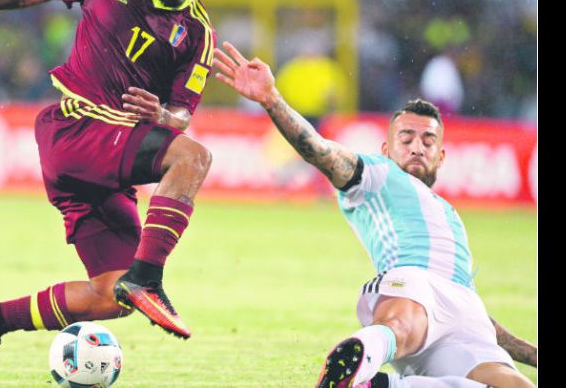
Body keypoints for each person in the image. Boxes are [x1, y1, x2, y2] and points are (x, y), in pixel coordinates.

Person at [0, 0, 215, 386]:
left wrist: (165, 116)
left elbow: (183, 112)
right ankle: (149, 278)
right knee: (195, 158)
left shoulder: (197, 34)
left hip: (109, 159)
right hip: (75, 131)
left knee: (111, 295)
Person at [212, 42, 536, 388]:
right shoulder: (378, 174)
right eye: (406, 137)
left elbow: (464, 299)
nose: (417, 146)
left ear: (441, 157)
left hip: (466, 315)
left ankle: (380, 385)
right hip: (413, 285)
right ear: (386, 148)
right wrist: (272, 100)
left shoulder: (450, 215)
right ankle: (360, 357)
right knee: (404, 324)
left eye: (428, 141)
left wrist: (531, 354)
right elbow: (320, 151)